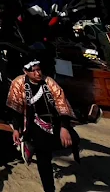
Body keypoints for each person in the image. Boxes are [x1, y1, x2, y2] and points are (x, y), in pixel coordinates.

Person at [7, 60, 80, 192]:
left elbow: (61, 102)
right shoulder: (18, 83)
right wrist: (16, 129)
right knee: (43, 157)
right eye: (33, 71)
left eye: (39, 70)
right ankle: (49, 189)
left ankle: (33, 145)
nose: (37, 73)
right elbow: (15, 107)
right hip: (32, 122)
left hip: (53, 121)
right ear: (25, 71)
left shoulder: (49, 81)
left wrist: (64, 127)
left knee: (74, 139)